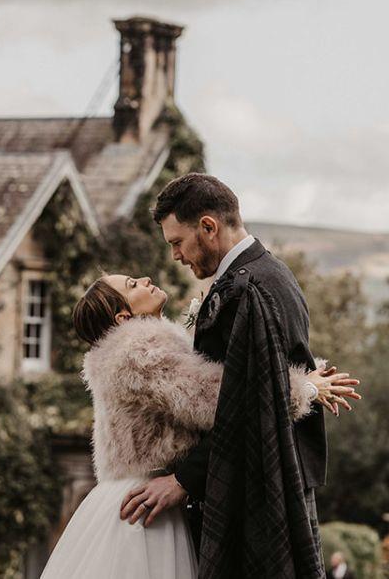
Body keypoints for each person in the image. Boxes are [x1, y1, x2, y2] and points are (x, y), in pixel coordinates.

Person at [39, 273, 358, 578]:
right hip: (147, 503)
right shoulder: (138, 352)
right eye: (132, 284)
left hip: (128, 496)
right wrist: (304, 387)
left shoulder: (117, 354)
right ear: (123, 317)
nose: (146, 280)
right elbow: (216, 400)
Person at [120, 173, 337, 578]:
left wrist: (183, 480)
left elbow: (250, 404)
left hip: (256, 489)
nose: (176, 257)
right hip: (255, 479)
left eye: (176, 243)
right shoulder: (268, 275)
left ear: (208, 227)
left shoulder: (247, 290)